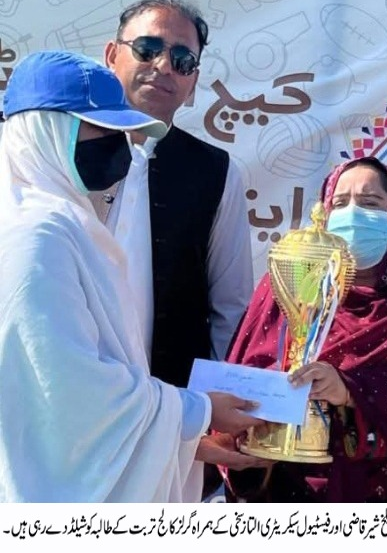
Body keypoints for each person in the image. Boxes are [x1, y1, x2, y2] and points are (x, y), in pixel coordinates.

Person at [0, 50, 265, 502]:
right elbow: (72, 390)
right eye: (101, 130)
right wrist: (199, 410)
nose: (117, 146)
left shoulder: (63, 223)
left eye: (120, 133)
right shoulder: (39, 234)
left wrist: (184, 438)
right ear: (47, 130)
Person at [219, 156, 387, 502]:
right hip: (279, 490)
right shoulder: (287, 286)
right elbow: (242, 372)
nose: (353, 214)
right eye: (340, 203)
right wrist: (255, 430)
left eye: (370, 203)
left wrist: (350, 388)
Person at [99, 0, 253, 388]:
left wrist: (216, 403)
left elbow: (231, 307)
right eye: (147, 48)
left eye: (182, 59)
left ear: (193, 80)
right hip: (56, 393)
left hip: (172, 406)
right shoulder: (57, 151)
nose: (163, 66)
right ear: (112, 56)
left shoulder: (215, 172)